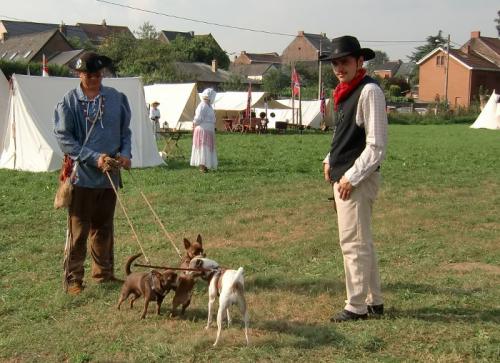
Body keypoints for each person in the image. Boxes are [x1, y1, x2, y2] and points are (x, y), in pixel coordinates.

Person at [53, 51, 132, 295]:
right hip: (82, 176)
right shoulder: (68, 102)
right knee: (78, 229)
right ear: (80, 74)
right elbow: (65, 139)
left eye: (98, 74)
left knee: (104, 227)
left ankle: (104, 274)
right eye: (89, 75)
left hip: (109, 176)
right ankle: (74, 279)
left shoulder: (116, 98)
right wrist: (92, 157)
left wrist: (125, 154)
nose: (94, 79)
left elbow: (125, 132)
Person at [321, 36, 388, 322]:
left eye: (344, 61)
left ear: (360, 61)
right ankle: (373, 300)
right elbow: (345, 136)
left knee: (354, 243)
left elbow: (376, 145)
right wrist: (329, 159)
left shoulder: (369, 91)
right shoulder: (346, 91)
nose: (339, 67)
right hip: (346, 175)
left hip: (357, 180)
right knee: (362, 241)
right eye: (335, 63)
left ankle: (357, 306)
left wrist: (351, 177)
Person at [190, 88, 217, 173]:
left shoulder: (209, 106)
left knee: (207, 148)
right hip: (203, 130)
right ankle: (202, 166)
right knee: (203, 147)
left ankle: (206, 164)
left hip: (208, 130)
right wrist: (194, 125)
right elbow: (198, 118)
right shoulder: (202, 105)